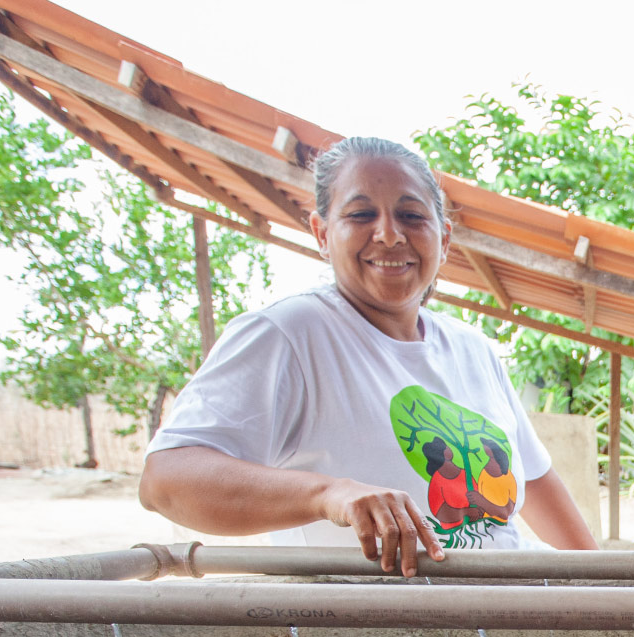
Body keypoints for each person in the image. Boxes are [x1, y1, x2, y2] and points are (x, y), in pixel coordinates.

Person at [139, 136, 597, 576]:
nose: (389, 235)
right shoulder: (290, 334)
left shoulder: (472, 349)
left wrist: (616, 593)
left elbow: (535, 483)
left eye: (412, 216)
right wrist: (329, 494)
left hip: (504, 632)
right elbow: (166, 481)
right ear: (322, 233)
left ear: (445, 239)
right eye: (361, 214)